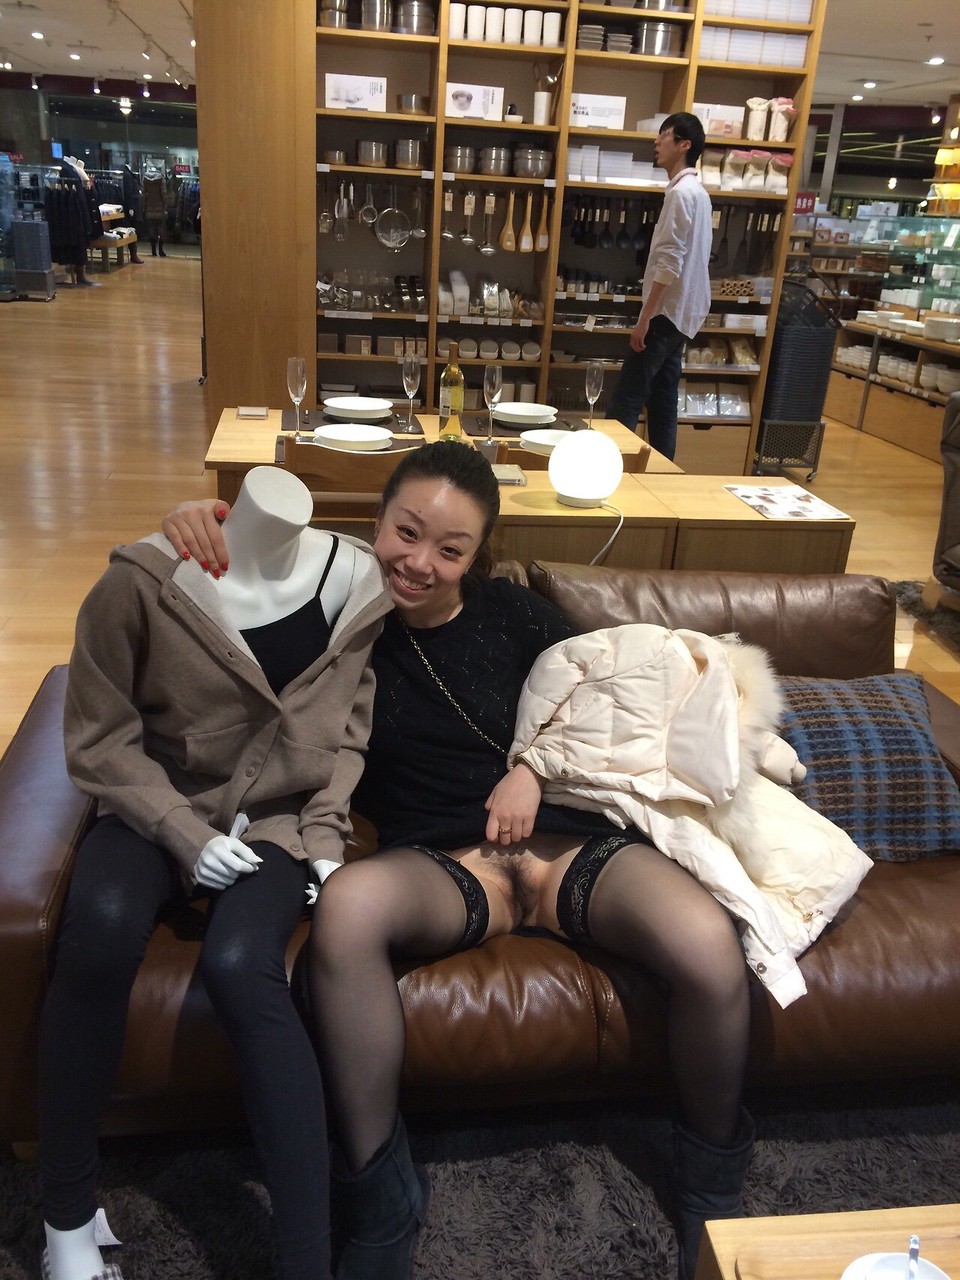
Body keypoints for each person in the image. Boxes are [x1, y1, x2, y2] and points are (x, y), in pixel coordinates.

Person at [162, 443, 755, 1280]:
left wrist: (532, 766)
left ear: (478, 556)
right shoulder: (335, 612)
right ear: (377, 521)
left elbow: (608, 688)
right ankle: (379, 1196)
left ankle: (710, 1187)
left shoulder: (512, 613)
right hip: (448, 866)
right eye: (406, 533)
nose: (420, 564)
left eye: (451, 549)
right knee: (349, 908)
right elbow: (235, 586)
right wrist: (198, 526)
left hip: (566, 848)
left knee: (707, 944)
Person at [39, 466, 392, 1280]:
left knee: (242, 963)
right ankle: (65, 1217)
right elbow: (97, 740)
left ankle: (307, 1261)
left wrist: (324, 836)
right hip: (155, 804)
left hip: (275, 824)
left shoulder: (356, 583)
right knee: (97, 933)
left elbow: (350, 731)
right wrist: (180, 832)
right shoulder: (140, 583)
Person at [605, 112, 713, 462]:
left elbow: (669, 263)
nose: (657, 141)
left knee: (627, 397)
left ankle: (611, 467)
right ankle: (664, 472)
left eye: (665, 135)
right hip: (684, 313)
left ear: (684, 145)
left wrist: (645, 318)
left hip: (665, 311)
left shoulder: (680, 194)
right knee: (663, 399)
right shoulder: (699, 193)